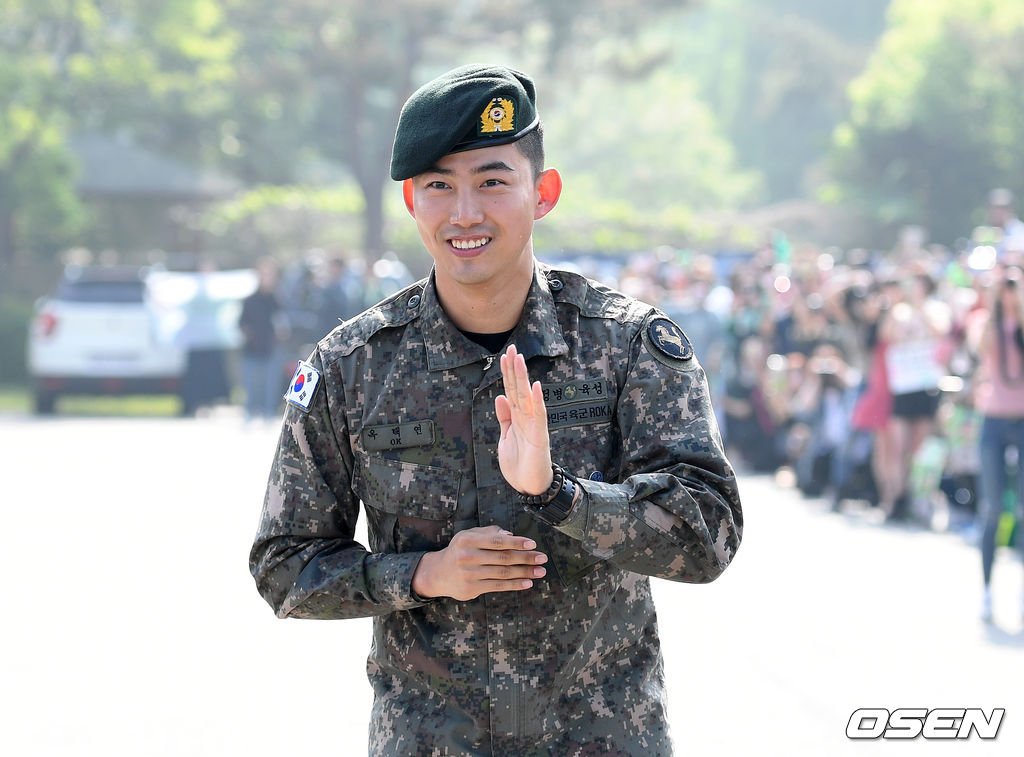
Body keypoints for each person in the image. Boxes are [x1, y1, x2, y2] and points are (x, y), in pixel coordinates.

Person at [248, 64, 743, 755]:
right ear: (411, 200)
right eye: (439, 186)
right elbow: (284, 565)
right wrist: (422, 574)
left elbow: (710, 533)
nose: (465, 214)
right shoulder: (350, 368)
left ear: (543, 193)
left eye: (491, 182)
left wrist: (562, 495)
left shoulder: (627, 345)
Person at [969, 266, 1024, 623]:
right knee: (992, 509)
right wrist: (995, 305)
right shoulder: (986, 323)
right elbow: (979, 348)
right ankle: (987, 590)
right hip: (993, 420)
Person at [238, 259, 285, 420]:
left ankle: (269, 411)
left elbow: (282, 322)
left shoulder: (276, 300)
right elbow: (242, 323)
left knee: (270, 383)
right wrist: (250, 335)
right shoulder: (249, 300)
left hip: (271, 347)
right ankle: (250, 411)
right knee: (251, 383)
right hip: (252, 347)